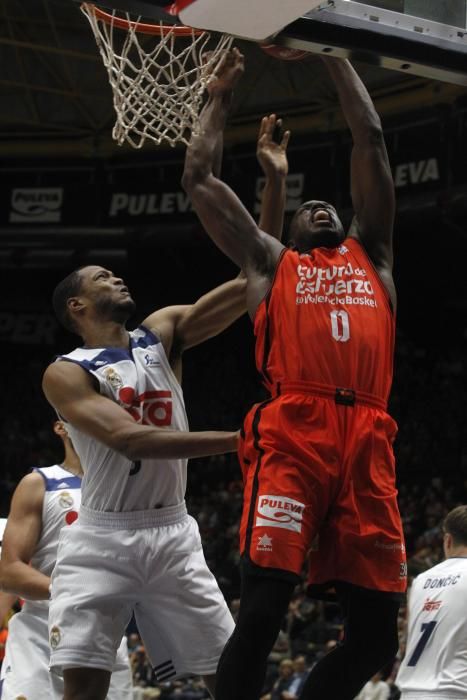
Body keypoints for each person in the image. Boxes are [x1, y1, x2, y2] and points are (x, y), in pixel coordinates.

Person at [40, 114, 289, 700]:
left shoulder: (163, 333)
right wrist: (240, 436)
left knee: (233, 681)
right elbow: (132, 440)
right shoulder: (67, 372)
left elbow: (259, 272)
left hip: (174, 532)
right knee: (83, 688)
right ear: (77, 305)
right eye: (104, 277)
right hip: (102, 539)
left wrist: (273, 180)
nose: (118, 277)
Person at [182, 49, 406, 700]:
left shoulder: (375, 255)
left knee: (373, 639)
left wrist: (334, 55)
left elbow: (371, 138)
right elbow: (198, 178)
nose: (318, 209)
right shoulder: (268, 265)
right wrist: (219, 96)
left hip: (367, 435)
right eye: (304, 207)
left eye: (326, 205)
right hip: (294, 430)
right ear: (288, 228)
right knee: (261, 614)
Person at [0, 420, 133, 699]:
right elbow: (10, 572)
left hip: (105, 634)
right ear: (61, 427)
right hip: (39, 634)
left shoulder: (127, 491)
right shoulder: (40, 484)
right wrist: (73, 591)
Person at [396, 505, 467, 699]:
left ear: (448, 540)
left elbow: (407, 640)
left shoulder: (419, 581)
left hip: (410, 692)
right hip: (456, 691)